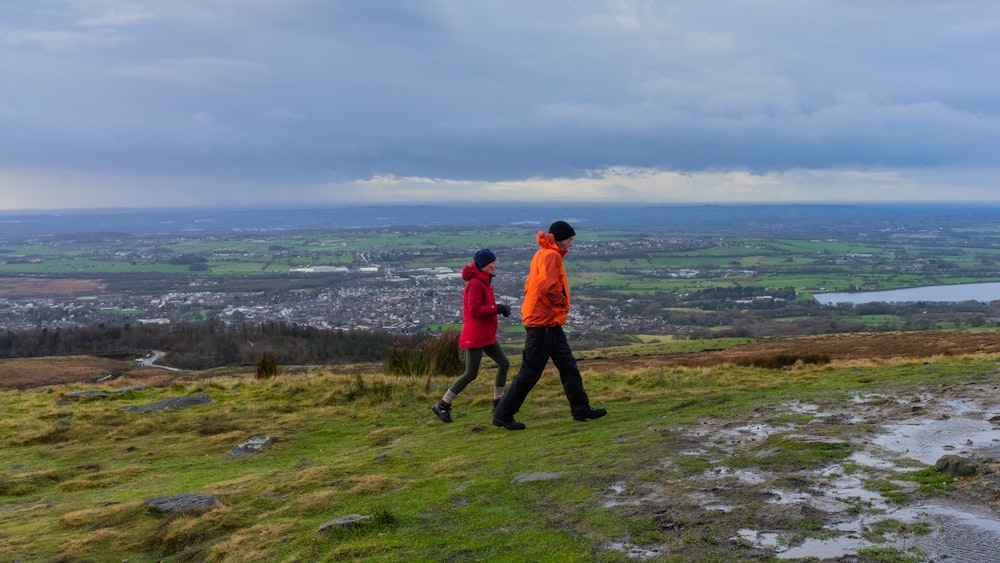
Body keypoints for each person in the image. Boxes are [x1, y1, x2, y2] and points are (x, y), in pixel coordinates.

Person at [492, 221, 607, 430]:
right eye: (570, 238)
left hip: (548, 322)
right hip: (542, 322)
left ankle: (581, 408)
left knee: (568, 366)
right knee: (530, 372)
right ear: (561, 237)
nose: (572, 242)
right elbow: (547, 288)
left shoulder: (543, 253)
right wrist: (563, 302)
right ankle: (503, 414)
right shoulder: (551, 255)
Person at [431, 248, 511, 423]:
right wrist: (497, 308)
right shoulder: (475, 284)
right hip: (475, 336)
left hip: (486, 335)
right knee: (470, 373)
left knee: (504, 364)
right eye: (492, 262)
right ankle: (442, 404)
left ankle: (498, 403)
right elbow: (474, 310)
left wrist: (497, 308)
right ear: (483, 265)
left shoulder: (485, 282)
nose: (495, 265)